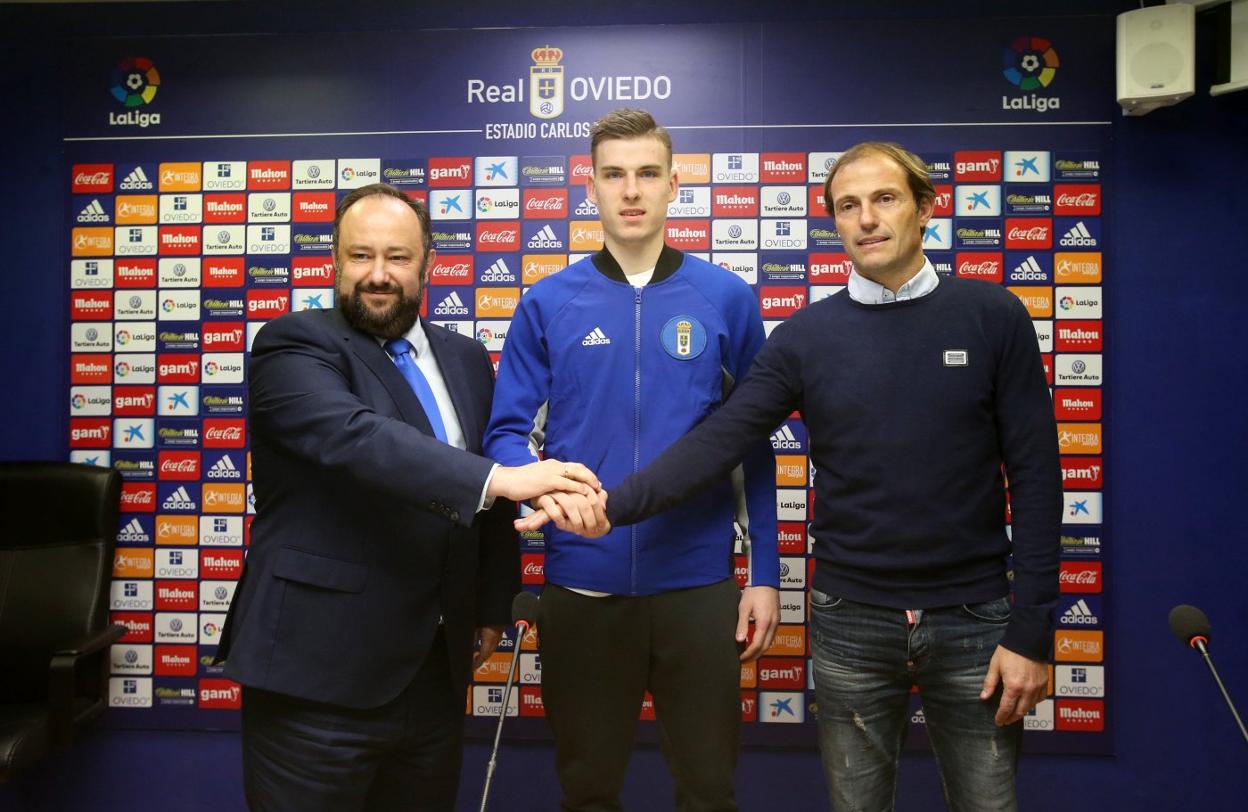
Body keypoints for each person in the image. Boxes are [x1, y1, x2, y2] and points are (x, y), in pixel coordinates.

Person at [525, 141, 1062, 812]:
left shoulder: (994, 317)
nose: (867, 219)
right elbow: (721, 440)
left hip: (975, 618)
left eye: (885, 199)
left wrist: (1031, 629)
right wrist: (612, 505)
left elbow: (1037, 478)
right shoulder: (806, 337)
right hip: (851, 619)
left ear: (926, 207)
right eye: (848, 205)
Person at [217, 183, 603, 812]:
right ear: (334, 262)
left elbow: (484, 493)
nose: (378, 274)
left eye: (397, 257)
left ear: (428, 265)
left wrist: (491, 602)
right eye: (360, 256)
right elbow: (357, 438)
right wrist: (499, 478)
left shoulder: (466, 358)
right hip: (315, 677)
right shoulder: (293, 344)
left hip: (432, 676)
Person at [484, 108, 780, 812]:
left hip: (698, 588)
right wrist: (544, 493)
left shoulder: (726, 299)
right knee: (587, 792)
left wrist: (765, 573)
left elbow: (753, 442)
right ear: (590, 186)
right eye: (614, 174)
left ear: (675, 184)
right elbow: (506, 437)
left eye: (648, 173)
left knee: (709, 791)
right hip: (583, 589)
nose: (631, 190)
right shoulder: (548, 303)